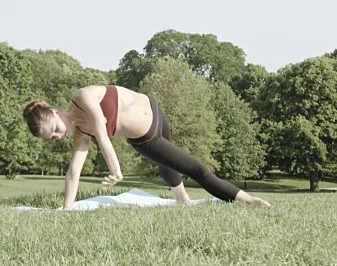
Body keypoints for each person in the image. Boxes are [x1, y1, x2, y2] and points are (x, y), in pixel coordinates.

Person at [22, 85, 271, 210]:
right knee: (195, 169)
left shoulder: (83, 96)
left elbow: (101, 127)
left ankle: (182, 200)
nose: (56, 136)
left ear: (55, 112)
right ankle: (247, 199)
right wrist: (67, 209)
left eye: (53, 128)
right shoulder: (81, 135)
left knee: (170, 162)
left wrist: (115, 168)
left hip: (155, 108)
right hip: (146, 138)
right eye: (51, 138)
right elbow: (73, 173)